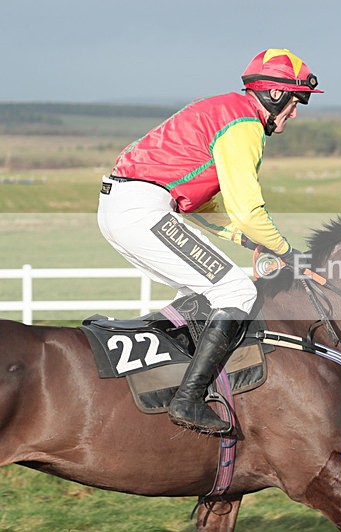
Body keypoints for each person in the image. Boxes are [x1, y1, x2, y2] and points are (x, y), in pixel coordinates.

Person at [97, 49, 322, 435]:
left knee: (204, 293)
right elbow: (249, 209)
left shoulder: (225, 109)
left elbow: (202, 204)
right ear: (274, 95)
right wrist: (289, 253)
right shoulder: (244, 124)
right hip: (143, 209)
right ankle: (188, 399)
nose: (295, 113)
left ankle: (172, 377)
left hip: (128, 206)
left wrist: (243, 239)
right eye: (295, 101)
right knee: (235, 290)